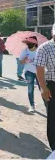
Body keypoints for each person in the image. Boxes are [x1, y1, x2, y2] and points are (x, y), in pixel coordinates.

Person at [35, 23, 55, 151]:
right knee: (53, 116)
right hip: (51, 85)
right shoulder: (44, 48)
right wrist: (43, 88)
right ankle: (54, 147)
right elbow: (39, 69)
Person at [19, 36, 40, 113]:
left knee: (43, 89)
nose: (28, 44)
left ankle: (47, 106)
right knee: (30, 90)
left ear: (35, 43)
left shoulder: (40, 50)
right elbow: (21, 62)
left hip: (39, 72)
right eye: (28, 43)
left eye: (30, 43)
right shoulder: (25, 50)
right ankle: (32, 105)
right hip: (29, 72)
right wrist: (25, 59)